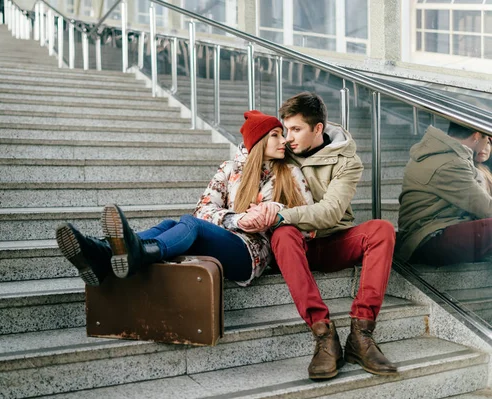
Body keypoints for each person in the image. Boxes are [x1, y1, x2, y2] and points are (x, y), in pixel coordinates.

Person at [55, 110, 314, 288]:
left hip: (254, 254)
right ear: (258, 141)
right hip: (230, 236)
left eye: (283, 134)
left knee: (189, 224)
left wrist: (275, 212)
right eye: (276, 135)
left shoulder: (290, 172)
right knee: (171, 224)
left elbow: (310, 220)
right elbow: (204, 208)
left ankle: (134, 253)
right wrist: (237, 219)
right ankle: (102, 253)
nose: (285, 140)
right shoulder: (230, 169)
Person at [264, 92, 398, 380]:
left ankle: (361, 335)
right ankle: (323, 334)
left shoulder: (347, 162)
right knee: (283, 234)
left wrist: (281, 214)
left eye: (296, 129)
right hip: (295, 247)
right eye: (286, 129)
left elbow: (331, 212)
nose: (288, 137)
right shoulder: (281, 151)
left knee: (382, 229)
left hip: (333, 241)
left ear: (318, 129)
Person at [397, 122, 492, 266]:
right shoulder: (450, 163)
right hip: (427, 240)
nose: (487, 144)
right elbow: (487, 208)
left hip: (431, 232)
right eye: (488, 139)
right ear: (477, 136)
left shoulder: (445, 154)